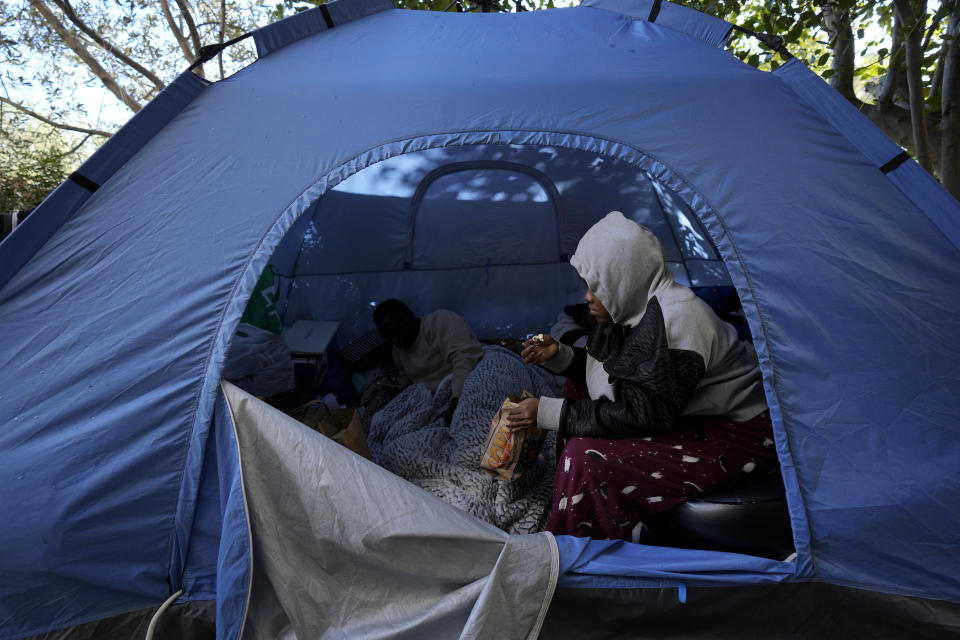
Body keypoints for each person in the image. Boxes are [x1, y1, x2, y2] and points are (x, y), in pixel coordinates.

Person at [507, 211, 778, 542]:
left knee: (586, 458)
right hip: (680, 410)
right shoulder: (631, 308)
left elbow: (643, 415)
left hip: (738, 433)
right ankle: (580, 505)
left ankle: (585, 553)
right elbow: (616, 372)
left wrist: (547, 412)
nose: (587, 297)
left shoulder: (678, 321)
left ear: (623, 278)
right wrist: (560, 356)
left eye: (595, 286)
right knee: (576, 390)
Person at [373, 299, 483, 425]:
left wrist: (454, 404)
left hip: (462, 386)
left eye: (395, 331)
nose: (394, 340)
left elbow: (465, 358)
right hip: (435, 399)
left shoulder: (438, 322)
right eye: (387, 337)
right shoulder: (398, 352)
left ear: (407, 318)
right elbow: (407, 382)